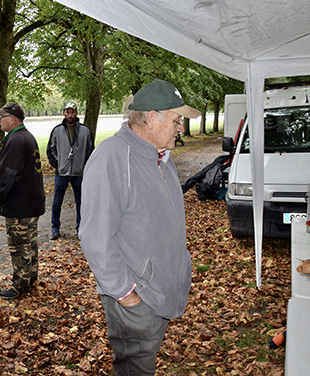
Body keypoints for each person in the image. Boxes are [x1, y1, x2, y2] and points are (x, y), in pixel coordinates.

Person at [79, 79, 200, 375]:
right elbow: (95, 237)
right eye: (177, 119)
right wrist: (126, 294)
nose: (181, 127)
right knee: (135, 367)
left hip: (159, 291)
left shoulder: (161, 157)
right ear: (150, 118)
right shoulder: (111, 158)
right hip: (136, 299)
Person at [0, 102, 45, 299]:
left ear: (12, 119)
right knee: (30, 244)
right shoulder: (26, 137)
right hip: (30, 204)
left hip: (20, 206)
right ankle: (30, 279)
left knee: (20, 246)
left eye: (2, 117)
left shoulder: (15, 140)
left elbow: (8, 176)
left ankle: (20, 286)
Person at [46, 101, 94, 239]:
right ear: (64, 113)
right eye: (67, 112)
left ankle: (80, 228)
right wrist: (58, 164)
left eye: (72, 112)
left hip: (79, 173)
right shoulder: (57, 130)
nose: (70, 114)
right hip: (61, 173)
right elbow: (50, 149)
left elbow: (90, 151)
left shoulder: (85, 131)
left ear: (76, 113)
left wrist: (85, 166)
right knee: (56, 202)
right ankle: (55, 228)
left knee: (81, 202)